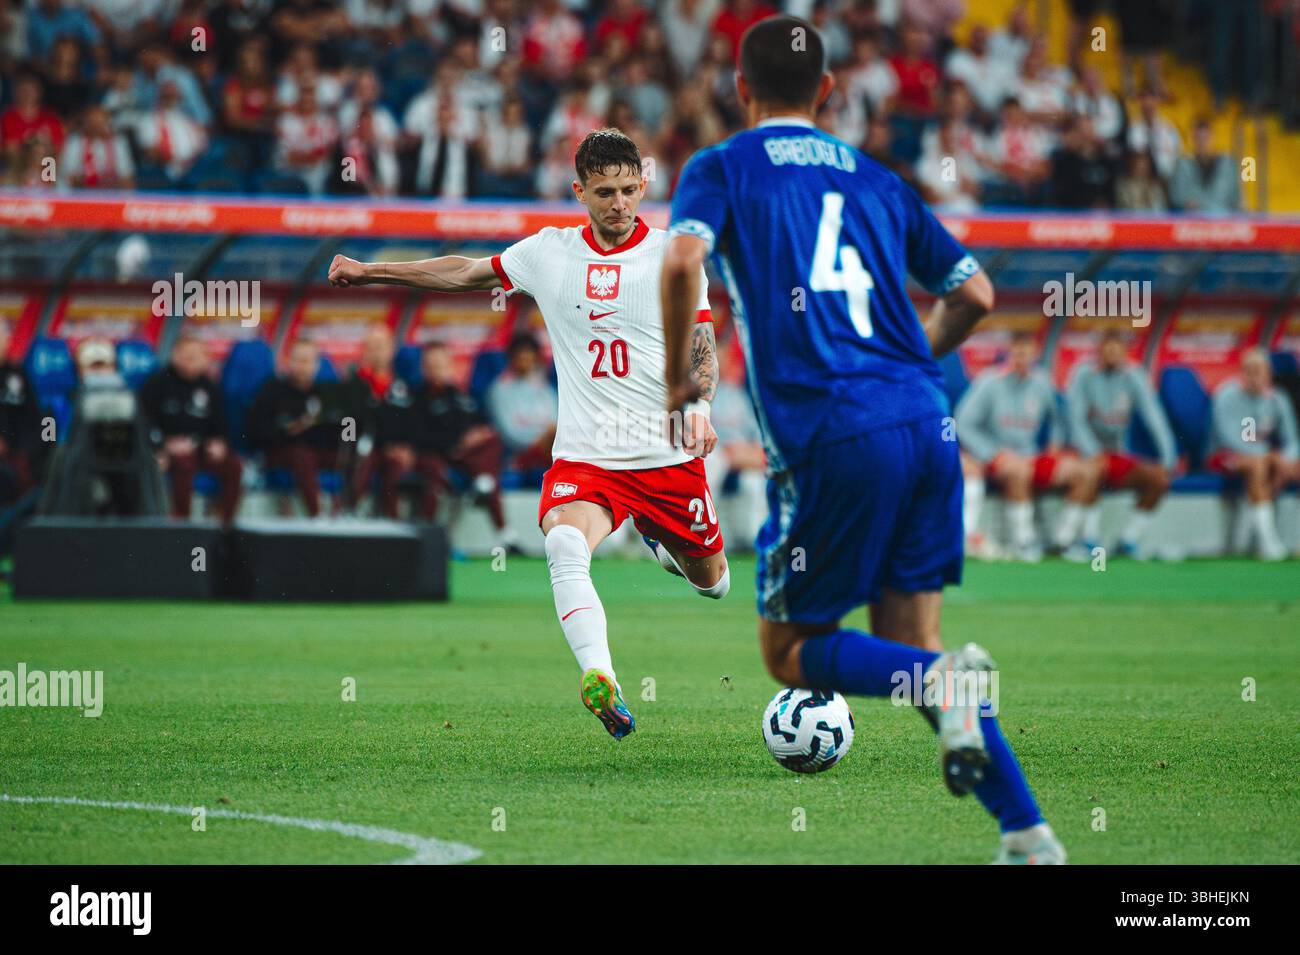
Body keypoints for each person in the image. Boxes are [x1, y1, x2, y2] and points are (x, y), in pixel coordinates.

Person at [660, 15, 1064, 864]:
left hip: (833, 430)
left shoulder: (722, 167)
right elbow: (979, 293)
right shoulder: (882, 181)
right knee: (916, 650)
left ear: (740, 91)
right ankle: (1027, 833)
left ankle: (959, 699)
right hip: (927, 421)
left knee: (788, 649)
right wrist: (910, 360)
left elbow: (676, 262)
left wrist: (678, 382)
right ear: (831, 93)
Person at [327, 127, 729, 741]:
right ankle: (601, 677)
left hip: (666, 456)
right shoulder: (549, 252)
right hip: (587, 459)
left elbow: (703, 347)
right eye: (603, 192)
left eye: (628, 190)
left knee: (715, 584)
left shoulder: (675, 256)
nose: (618, 203)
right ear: (578, 192)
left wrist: (699, 405)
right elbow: (466, 271)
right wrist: (372, 271)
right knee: (565, 546)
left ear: (644, 184)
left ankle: (661, 542)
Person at [955, 331, 1094, 561]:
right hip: (996, 459)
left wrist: (1055, 444)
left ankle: (1063, 542)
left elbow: (1059, 418)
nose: (1022, 360)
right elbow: (963, 423)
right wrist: (993, 452)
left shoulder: (1042, 381)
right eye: (1017, 354)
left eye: (1027, 354)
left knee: (1084, 473)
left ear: (1035, 355)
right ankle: (1024, 541)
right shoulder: (990, 381)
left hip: (1031, 456)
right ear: (1008, 355)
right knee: (1018, 471)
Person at [1063, 328, 1177, 559]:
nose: (1113, 356)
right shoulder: (1083, 374)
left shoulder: (1133, 375)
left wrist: (1168, 458)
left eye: (1118, 351)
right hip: (1083, 456)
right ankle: (1088, 540)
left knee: (1159, 479)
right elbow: (1074, 421)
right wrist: (1093, 452)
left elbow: (1154, 417)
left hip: (1117, 455)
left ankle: (1128, 539)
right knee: (1094, 470)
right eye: (1108, 351)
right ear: (1099, 352)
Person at [407, 341, 515, 549]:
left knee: (492, 441)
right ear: (423, 368)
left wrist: (478, 435)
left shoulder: (461, 397)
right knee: (439, 470)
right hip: (435, 456)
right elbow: (418, 438)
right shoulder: (416, 397)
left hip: (465, 458)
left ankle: (506, 536)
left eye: (440, 364)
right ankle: (428, 539)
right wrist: (458, 443)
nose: (435, 370)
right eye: (431, 365)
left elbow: (481, 425)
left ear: (450, 366)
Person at [138, 335, 242, 526]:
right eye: (184, 355)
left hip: (201, 447)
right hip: (170, 451)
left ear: (206, 360)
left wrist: (218, 442)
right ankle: (182, 524)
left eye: (194, 357)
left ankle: (226, 526)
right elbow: (143, 422)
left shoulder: (210, 388)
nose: (188, 361)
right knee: (183, 464)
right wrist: (161, 446)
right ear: (174, 355)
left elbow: (220, 423)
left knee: (234, 465)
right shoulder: (157, 383)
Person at [1207, 349, 1299, 560]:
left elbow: (1292, 439)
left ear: (1269, 374)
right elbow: (1228, 437)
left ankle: (1294, 541)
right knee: (1258, 465)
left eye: (1261, 371)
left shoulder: (1277, 399)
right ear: (1242, 373)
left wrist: (1287, 459)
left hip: (1261, 457)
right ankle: (1268, 544)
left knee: (1287, 466)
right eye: (1250, 371)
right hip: (1223, 456)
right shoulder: (1227, 395)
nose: (1256, 377)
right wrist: (1270, 456)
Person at [248, 339, 342, 517]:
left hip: (317, 451)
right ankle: (317, 516)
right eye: (298, 360)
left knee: (352, 456)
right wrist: (291, 430)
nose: (302, 366)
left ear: (316, 365)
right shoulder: (271, 389)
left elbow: (337, 434)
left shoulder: (326, 392)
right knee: (301, 453)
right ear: (287, 361)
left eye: (307, 361)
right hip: (282, 452)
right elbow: (256, 430)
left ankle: (345, 513)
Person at [485, 333, 557, 471]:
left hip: (548, 448)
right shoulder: (499, 390)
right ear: (511, 358)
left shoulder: (545, 388)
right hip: (518, 454)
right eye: (520, 357)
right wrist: (541, 440)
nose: (524, 362)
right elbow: (510, 434)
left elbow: (556, 423)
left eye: (529, 357)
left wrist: (547, 438)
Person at [0, 321, 40, 505]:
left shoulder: (17, 375)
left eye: (2, 337)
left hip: (12, 461)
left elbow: (39, 420)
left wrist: (23, 455)